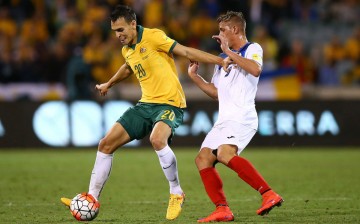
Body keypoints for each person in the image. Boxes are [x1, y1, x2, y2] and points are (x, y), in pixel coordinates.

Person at [60, 4, 229, 221]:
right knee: (105, 144)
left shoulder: (154, 37)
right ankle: (92, 197)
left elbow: (185, 51)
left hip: (170, 104)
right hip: (145, 105)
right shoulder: (127, 49)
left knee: (157, 139)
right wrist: (109, 83)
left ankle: (176, 192)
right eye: (114, 31)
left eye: (121, 30)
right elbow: (128, 66)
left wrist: (220, 60)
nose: (118, 35)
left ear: (133, 24)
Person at [187, 11, 283, 222]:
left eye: (222, 30)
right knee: (203, 159)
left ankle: (268, 194)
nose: (218, 34)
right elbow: (215, 93)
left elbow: (255, 70)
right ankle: (222, 209)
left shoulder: (253, 49)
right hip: (224, 120)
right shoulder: (221, 60)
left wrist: (229, 51)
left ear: (235, 30)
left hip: (242, 117)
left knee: (224, 153)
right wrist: (195, 76)